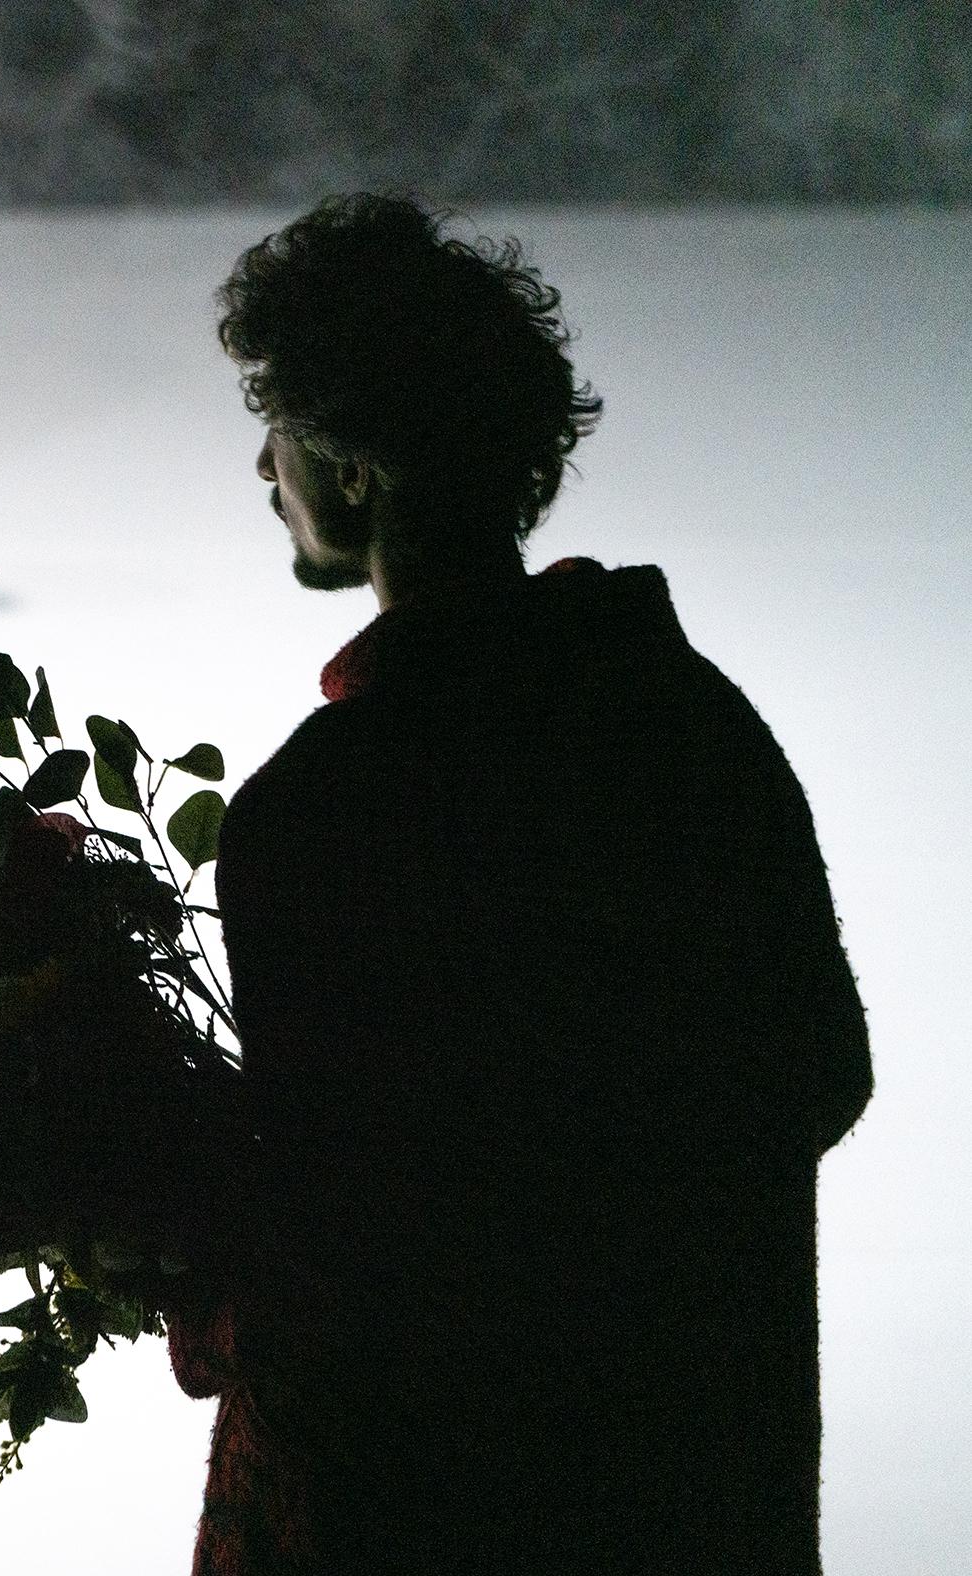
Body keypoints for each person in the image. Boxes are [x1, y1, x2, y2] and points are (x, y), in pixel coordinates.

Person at [171, 193, 874, 1575]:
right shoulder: (686, 722)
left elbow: (337, 1248)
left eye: (278, 431)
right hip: (691, 1484)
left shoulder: (327, 808)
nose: (263, 471)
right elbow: (821, 1069)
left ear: (355, 470)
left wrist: (147, 1197)